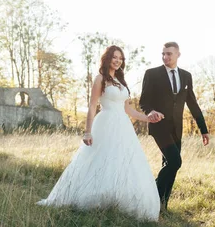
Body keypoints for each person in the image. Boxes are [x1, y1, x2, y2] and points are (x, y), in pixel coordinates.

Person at [37, 45, 162, 221]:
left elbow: (128, 109)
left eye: (120, 58)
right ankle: (94, 198)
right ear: (107, 59)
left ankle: (118, 199)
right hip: (105, 123)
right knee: (100, 160)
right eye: (114, 57)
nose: (118, 60)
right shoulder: (100, 79)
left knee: (123, 162)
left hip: (123, 127)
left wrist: (148, 118)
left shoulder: (121, 82)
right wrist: (87, 132)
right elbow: (92, 106)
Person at [140, 42, 210, 212]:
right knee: (175, 161)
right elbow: (144, 101)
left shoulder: (186, 76)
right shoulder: (152, 74)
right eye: (163, 54)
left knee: (170, 166)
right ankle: (152, 193)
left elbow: (193, 104)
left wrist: (204, 129)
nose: (165, 57)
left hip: (177, 129)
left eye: (169, 54)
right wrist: (151, 111)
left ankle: (162, 205)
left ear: (178, 54)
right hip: (159, 126)